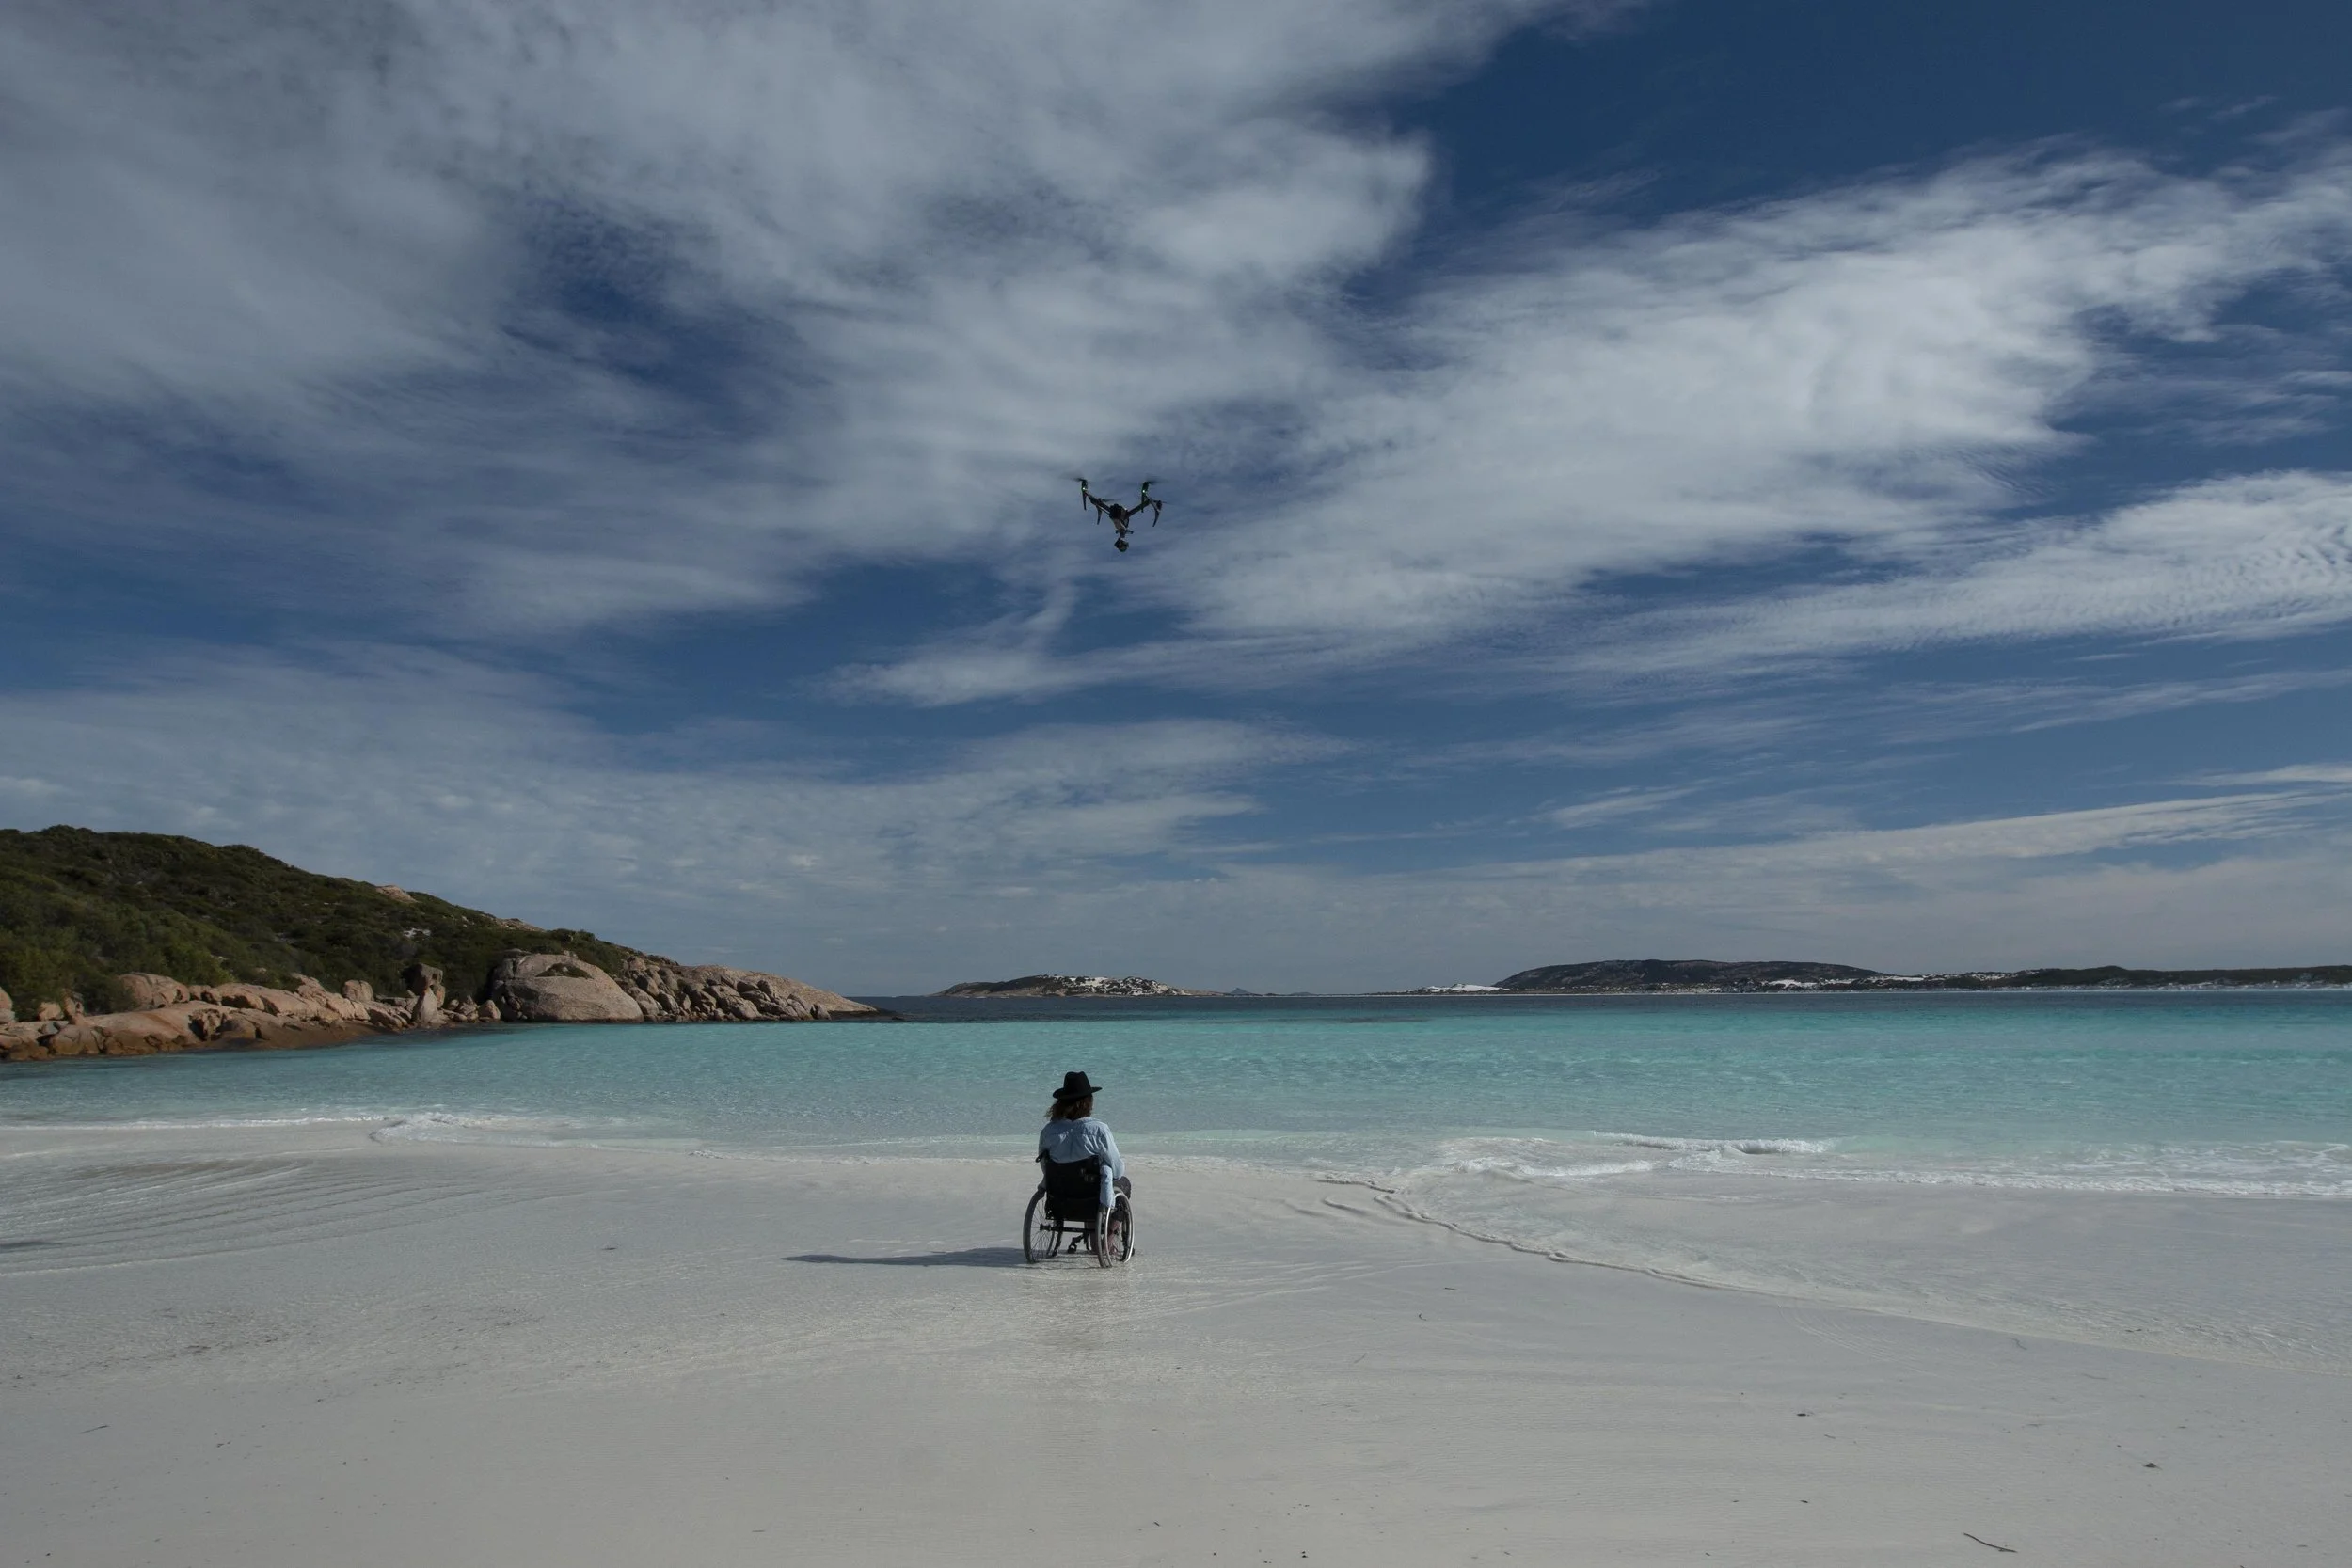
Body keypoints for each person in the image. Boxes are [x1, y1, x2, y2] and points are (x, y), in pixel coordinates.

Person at [1038, 1069, 1130, 1215]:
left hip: (1061, 1196)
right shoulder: (1099, 1130)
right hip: (1092, 1197)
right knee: (1124, 1183)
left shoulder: (1048, 1131)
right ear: (1087, 1102)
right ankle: (1109, 1236)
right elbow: (1117, 1170)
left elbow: (1045, 1166)